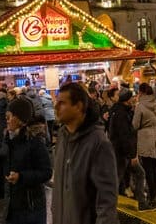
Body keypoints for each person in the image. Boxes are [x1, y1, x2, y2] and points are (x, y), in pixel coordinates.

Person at [51, 83, 119, 224]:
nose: (56, 107)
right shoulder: (63, 137)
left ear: (78, 106)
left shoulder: (98, 143)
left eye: (62, 103)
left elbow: (107, 199)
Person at [0, 96, 51, 224]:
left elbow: (46, 172)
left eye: (9, 117)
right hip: (13, 204)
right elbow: (4, 161)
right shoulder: (9, 138)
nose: (7, 120)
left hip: (31, 207)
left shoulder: (35, 141)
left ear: (20, 119)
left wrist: (21, 177)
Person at [107, 90, 152, 211]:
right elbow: (124, 136)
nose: (135, 99)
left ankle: (109, 204)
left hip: (119, 151)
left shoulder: (117, 110)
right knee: (128, 176)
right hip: (123, 153)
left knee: (119, 177)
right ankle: (141, 203)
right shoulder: (122, 114)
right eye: (132, 97)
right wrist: (132, 155)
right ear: (127, 100)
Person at [133, 84, 156, 208]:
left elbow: (135, 125)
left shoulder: (140, 106)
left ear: (142, 93)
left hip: (145, 137)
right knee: (155, 165)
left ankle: (152, 195)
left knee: (147, 167)